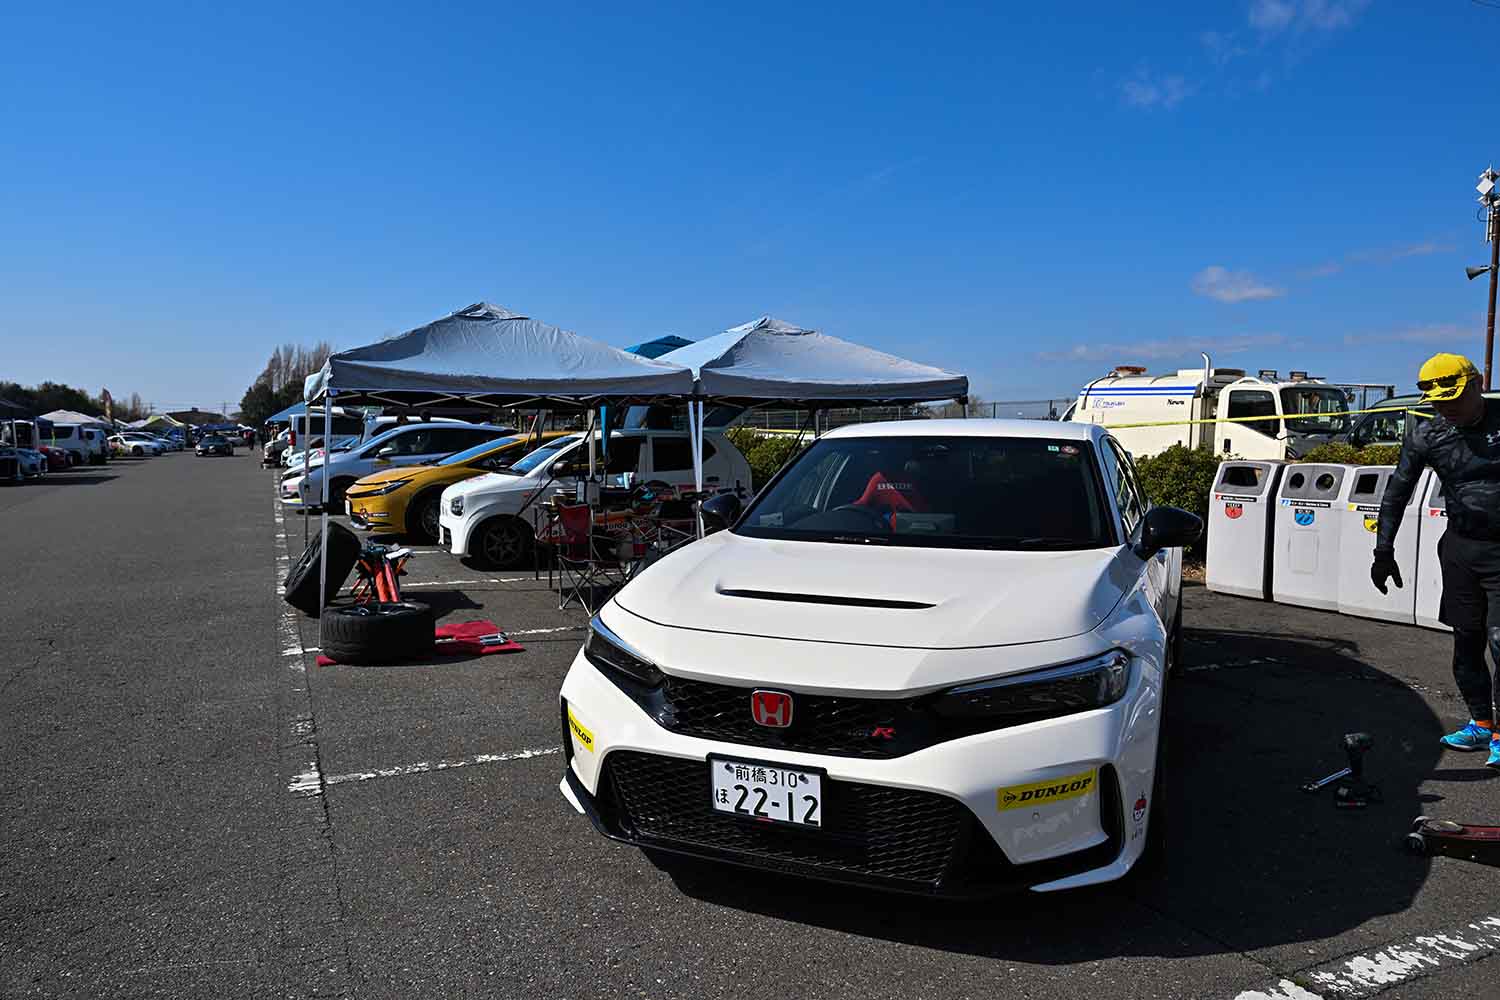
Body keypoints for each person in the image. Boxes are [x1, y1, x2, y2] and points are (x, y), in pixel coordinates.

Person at [1373, 353, 1500, 769]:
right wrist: (1383, 551)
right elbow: (1398, 492)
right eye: (1439, 403)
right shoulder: (1428, 435)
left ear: (1478, 383)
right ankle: (1482, 722)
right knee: (1467, 641)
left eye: (1455, 399)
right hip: (1462, 549)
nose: (1448, 409)